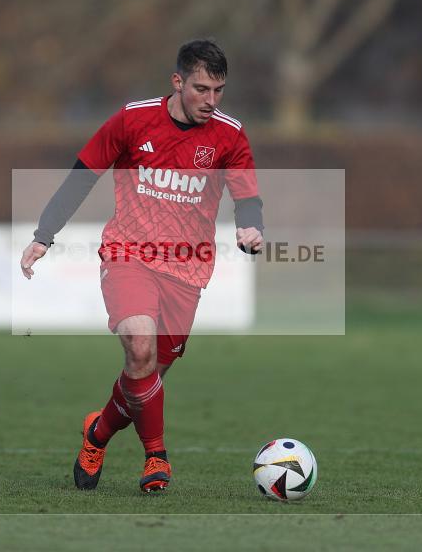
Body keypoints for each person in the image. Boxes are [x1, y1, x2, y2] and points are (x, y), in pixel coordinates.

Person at [20, 39, 264, 492]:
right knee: (139, 348)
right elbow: (83, 174)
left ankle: (98, 433)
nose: (211, 101)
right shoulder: (133, 119)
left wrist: (251, 227)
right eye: (201, 89)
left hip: (187, 269)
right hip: (128, 254)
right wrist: (43, 235)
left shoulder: (229, 134)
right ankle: (157, 458)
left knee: (145, 375)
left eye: (219, 91)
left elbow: (246, 193)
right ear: (177, 81)